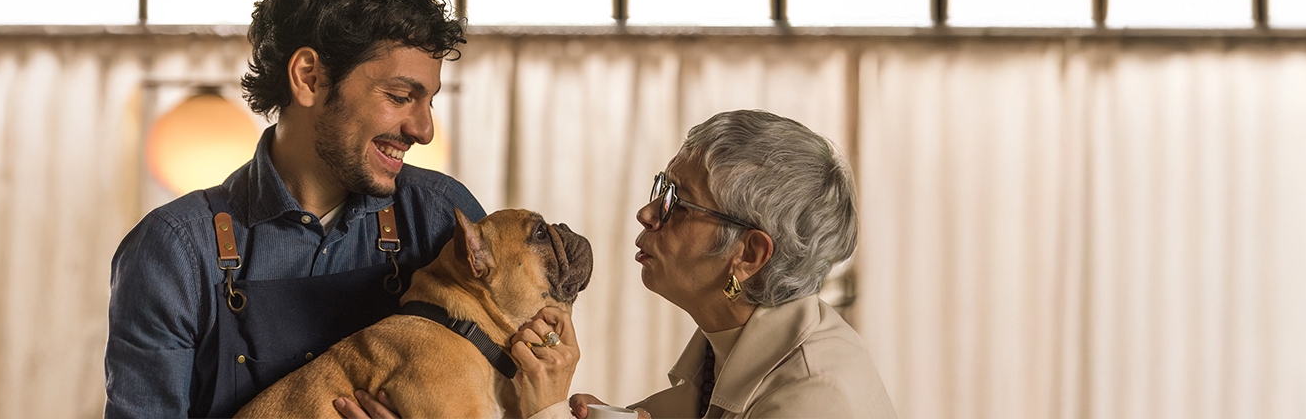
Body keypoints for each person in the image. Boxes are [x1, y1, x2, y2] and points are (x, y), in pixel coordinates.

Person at [105, 0, 484, 418]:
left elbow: (509, 390)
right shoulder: (175, 252)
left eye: (428, 102)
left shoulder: (439, 218)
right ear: (309, 77)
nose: (424, 130)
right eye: (401, 97)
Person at [339, 110, 896, 419]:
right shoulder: (719, 356)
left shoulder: (818, 398)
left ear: (747, 255)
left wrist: (550, 414)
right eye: (661, 187)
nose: (647, 211)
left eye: (678, 200)